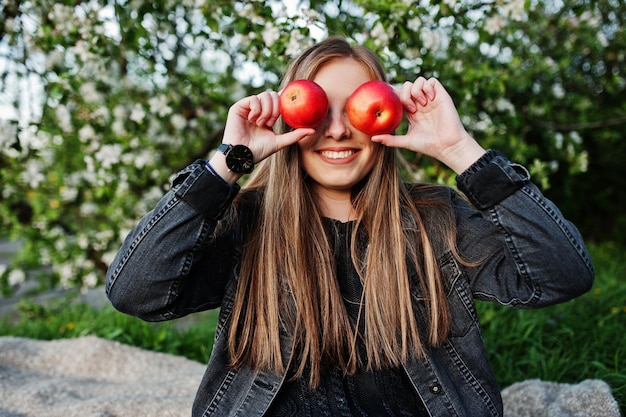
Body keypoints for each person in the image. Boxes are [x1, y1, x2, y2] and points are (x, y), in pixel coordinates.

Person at [105, 36, 594, 417]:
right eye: (317, 110)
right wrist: (227, 165)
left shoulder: (435, 220)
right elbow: (136, 291)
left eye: (354, 109)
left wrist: (460, 150)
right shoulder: (247, 225)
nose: (337, 129)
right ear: (286, 120)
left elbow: (561, 275)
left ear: (386, 117)